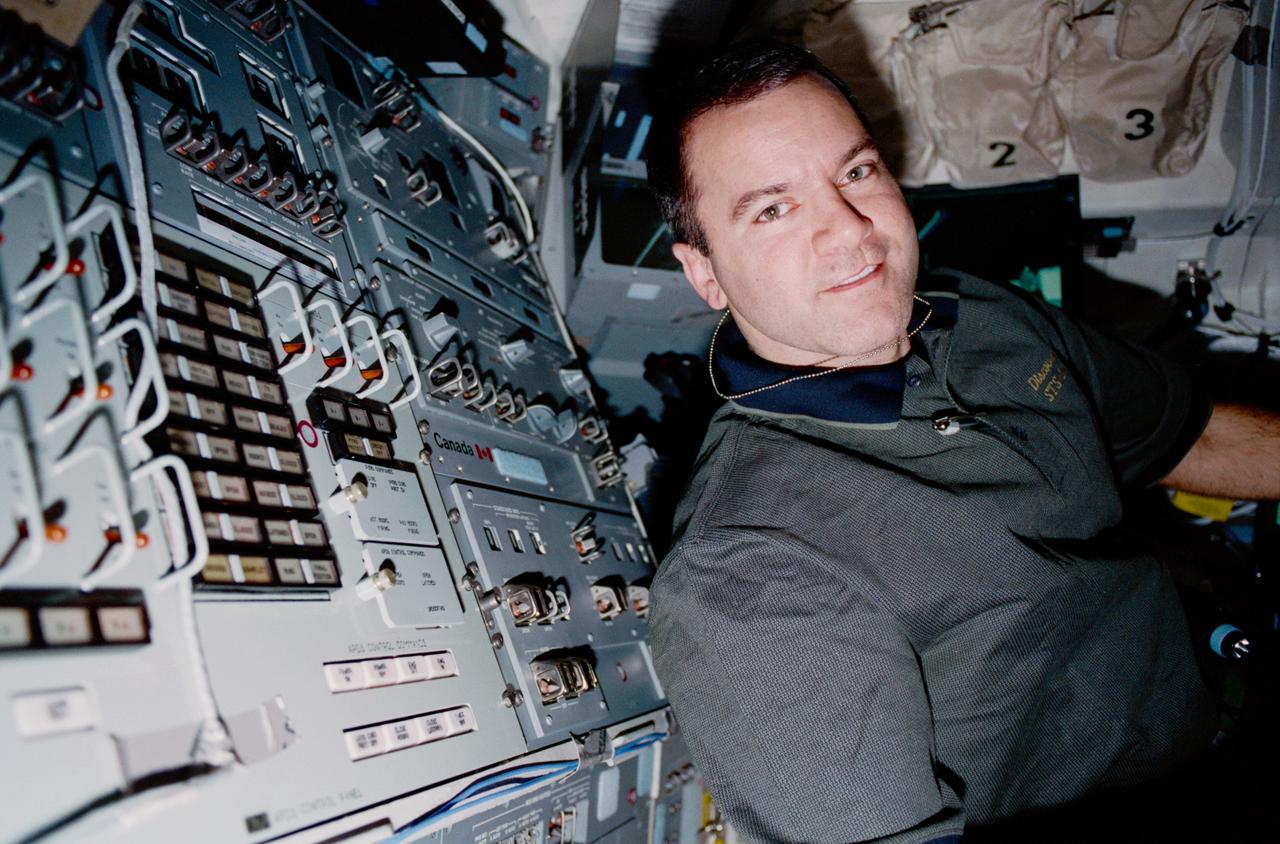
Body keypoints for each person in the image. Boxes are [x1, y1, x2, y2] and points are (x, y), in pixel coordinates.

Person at [644, 40, 1280, 843]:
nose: (848, 231)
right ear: (704, 271)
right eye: (772, 209)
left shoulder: (976, 313)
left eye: (856, 173)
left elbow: (1189, 435)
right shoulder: (745, 573)